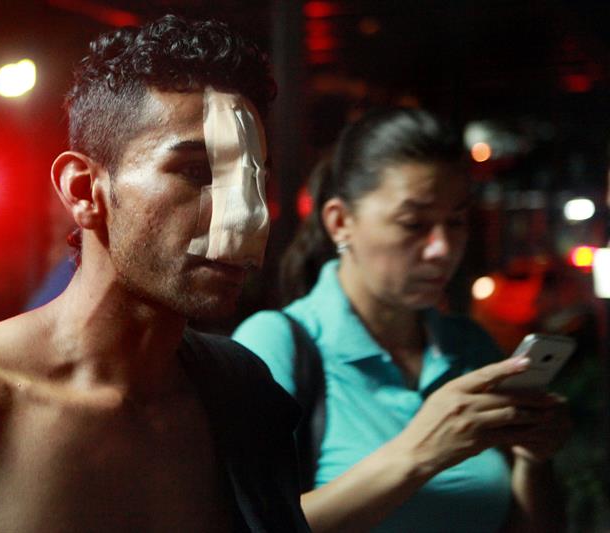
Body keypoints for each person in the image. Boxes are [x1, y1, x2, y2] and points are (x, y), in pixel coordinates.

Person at [0, 15, 309, 532]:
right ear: (84, 191)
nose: (246, 217)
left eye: (255, 181)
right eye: (195, 172)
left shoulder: (242, 394)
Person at [233, 108, 570, 532]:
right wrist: (419, 453)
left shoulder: (470, 347)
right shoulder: (276, 344)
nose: (442, 248)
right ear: (340, 222)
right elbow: (245, 523)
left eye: (456, 222)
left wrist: (533, 460)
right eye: (414, 224)